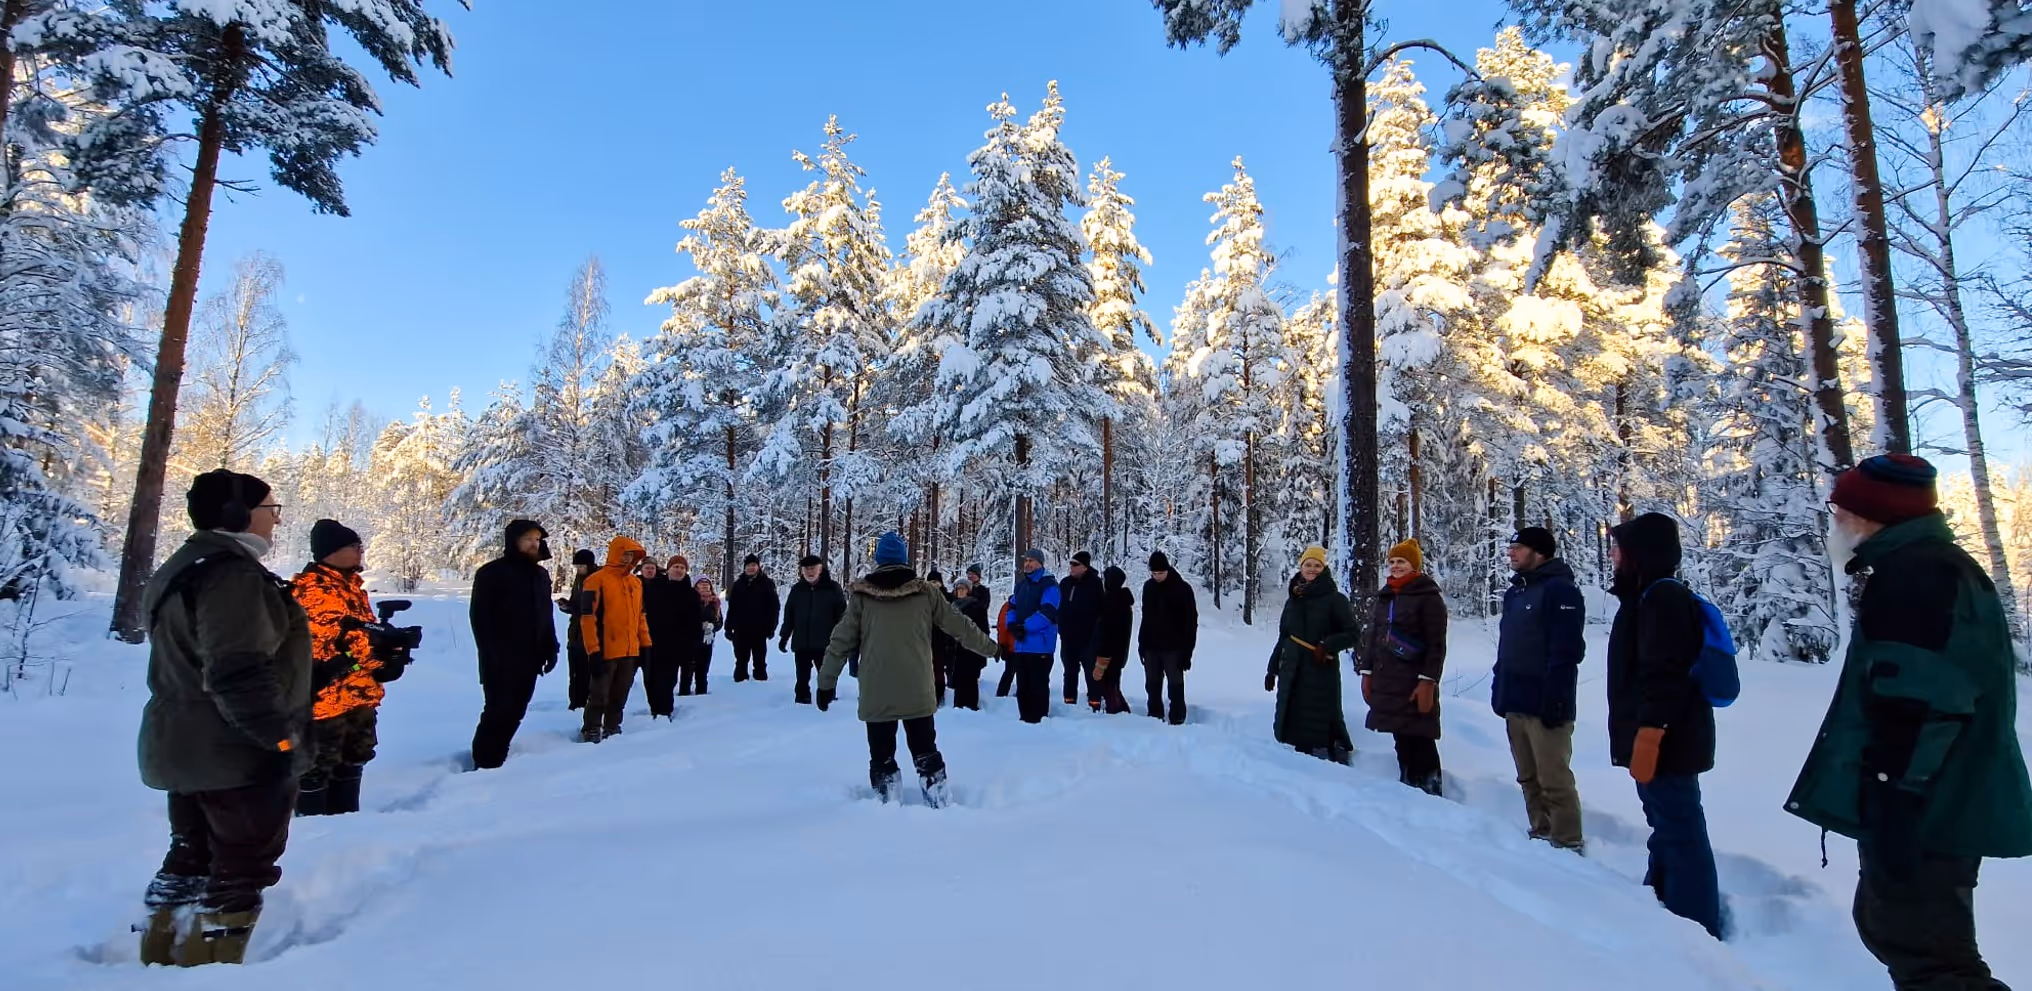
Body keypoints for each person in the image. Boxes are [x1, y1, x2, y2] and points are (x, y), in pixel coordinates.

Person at [1787, 455, 2032, 984]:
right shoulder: (1927, 567)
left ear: (1871, 516)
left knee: (1932, 956)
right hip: (1932, 796)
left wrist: (1891, 793)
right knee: (1901, 933)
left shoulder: (1917, 576)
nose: (1836, 524)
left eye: (1841, 512)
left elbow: (1921, 701)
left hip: (1929, 803)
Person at [137, 470, 309, 966]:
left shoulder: (188, 565)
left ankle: (159, 954)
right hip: (232, 751)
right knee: (240, 864)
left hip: (187, 743)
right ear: (236, 515)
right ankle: (207, 967)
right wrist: (279, 739)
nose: (276, 520)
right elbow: (237, 668)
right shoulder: (232, 576)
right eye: (270, 509)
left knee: (190, 856)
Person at [816, 533, 1000, 805]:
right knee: (925, 751)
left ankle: (887, 804)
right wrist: (992, 648)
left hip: (877, 690)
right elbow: (959, 626)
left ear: (878, 560)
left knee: (882, 755)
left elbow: (840, 641)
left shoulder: (862, 595)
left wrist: (825, 682)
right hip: (917, 688)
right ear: (904, 559)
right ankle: (938, 801)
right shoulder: (926, 592)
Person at [1606, 512, 1721, 940]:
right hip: (1657, 736)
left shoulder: (1662, 598)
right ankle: (1662, 901)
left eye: (1619, 548)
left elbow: (1665, 673)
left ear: (1640, 555)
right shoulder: (1644, 597)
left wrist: (1651, 733)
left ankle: (1696, 926)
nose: (1613, 555)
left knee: (1681, 830)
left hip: (1668, 740)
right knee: (1666, 825)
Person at [290, 519, 407, 817]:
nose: (360, 551)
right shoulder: (313, 590)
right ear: (332, 551)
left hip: (357, 695)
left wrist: (388, 654)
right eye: (354, 546)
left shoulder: (352, 587)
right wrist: (379, 649)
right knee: (317, 769)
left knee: (354, 760)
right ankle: (316, 838)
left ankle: (347, 828)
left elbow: (362, 634)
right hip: (324, 701)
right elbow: (329, 641)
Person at [1494, 527, 1588, 852]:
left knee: (1554, 779)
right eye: (1510, 548)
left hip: (1547, 704)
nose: (1511, 554)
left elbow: (1568, 651)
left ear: (1539, 552)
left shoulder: (1561, 591)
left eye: (1518, 548)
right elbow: (1508, 646)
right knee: (1528, 778)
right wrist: (1499, 686)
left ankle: (1567, 841)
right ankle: (1540, 832)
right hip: (1515, 700)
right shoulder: (1516, 593)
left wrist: (1557, 698)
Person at [1358, 539, 1448, 796]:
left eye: (1402, 562)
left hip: (1413, 679)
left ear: (1414, 566)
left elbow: (1436, 644)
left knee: (1420, 735)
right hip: (1388, 678)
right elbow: (1374, 635)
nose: (1396, 566)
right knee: (1401, 735)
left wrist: (1428, 680)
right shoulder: (1386, 595)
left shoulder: (1428, 597)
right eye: (1393, 562)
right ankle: (1409, 787)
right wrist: (1367, 671)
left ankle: (1430, 789)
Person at [468, 520, 560, 771]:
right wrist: (492, 654)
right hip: (500, 658)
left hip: (530, 657)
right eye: (528, 538)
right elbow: (480, 618)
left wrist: (551, 646)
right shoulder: (491, 573)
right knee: (498, 708)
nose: (534, 544)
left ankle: (498, 754)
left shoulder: (540, 575)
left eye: (537, 539)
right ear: (513, 540)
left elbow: (545, 614)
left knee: (517, 708)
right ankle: (485, 760)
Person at [1267, 546, 1360, 763]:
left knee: (1322, 713)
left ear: (1324, 568)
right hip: (1291, 667)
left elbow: (1352, 634)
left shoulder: (1335, 599)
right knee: (1294, 714)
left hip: (1319, 667)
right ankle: (1301, 761)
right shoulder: (1293, 600)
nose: (1312, 569)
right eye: (1308, 565)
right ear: (1300, 568)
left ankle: (1331, 756)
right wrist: (1272, 669)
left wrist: (1326, 645)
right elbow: (1284, 636)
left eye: (1317, 565)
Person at [577, 536, 652, 742]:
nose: (628, 558)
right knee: (599, 694)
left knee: (620, 693)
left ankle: (612, 725)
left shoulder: (635, 583)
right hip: (605, 649)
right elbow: (587, 618)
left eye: (632, 555)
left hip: (629, 650)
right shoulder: (596, 580)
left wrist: (646, 645)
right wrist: (593, 650)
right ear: (616, 553)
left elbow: (640, 616)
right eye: (625, 553)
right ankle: (591, 728)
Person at [779, 554, 847, 705]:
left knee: (826, 674)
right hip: (802, 641)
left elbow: (843, 615)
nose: (810, 572)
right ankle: (802, 698)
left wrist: (841, 638)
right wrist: (784, 636)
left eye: (813, 568)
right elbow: (789, 614)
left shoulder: (833, 588)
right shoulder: (797, 589)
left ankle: (828, 698)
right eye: (806, 569)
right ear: (802, 571)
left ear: (820, 569)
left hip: (825, 642)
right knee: (802, 675)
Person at [1139, 552, 1198, 726]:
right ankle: (1154, 714)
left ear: (1167, 570)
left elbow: (1191, 622)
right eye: (1154, 573)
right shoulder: (1148, 587)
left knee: (1176, 684)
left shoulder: (1182, 588)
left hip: (1174, 647)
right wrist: (1142, 644)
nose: (1157, 577)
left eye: (1160, 573)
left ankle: (1178, 716)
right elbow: (1145, 618)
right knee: (1152, 683)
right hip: (1151, 645)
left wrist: (1187, 652)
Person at [1008, 548, 1062, 724]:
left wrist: (1025, 627)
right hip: (1021, 645)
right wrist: (1012, 625)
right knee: (1022, 688)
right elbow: (1012, 607)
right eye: (1026, 561)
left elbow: (1047, 612)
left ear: (1040, 563)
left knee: (1037, 687)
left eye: (1032, 561)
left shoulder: (1049, 585)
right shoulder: (1021, 585)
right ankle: (1024, 720)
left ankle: (1039, 723)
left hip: (1040, 645)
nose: (1028, 564)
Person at [1058, 551, 1105, 708]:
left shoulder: (1095, 584)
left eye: (1075, 564)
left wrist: (1096, 634)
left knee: (1091, 673)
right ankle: (1069, 703)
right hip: (1068, 637)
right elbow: (1059, 607)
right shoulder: (1064, 583)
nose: (1072, 567)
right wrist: (1061, 628)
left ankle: (1095, 703)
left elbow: (1101, 611)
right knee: (1069, 671)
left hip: (1088, 638)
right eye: (1071, 563)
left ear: (1085, 567)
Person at [638, 557, 683, 720]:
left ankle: (665, 708)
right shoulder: (635, 583)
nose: (650, 571)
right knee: (649, 675)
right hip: (642, 636)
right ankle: (655, 706)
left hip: (664, 636)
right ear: (642, 570)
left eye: (652, 568)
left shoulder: (663, 584)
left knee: (667, 676)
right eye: (647, 568)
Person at [1088, 566, 1136, 715]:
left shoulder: (1112, 601)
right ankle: (1116, 709)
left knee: (1109, 684)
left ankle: (1116, 711)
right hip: (1118, 650)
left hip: (1109, 650)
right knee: (1111, 683)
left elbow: (1108, 630)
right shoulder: (1122, 600)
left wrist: (1102, 651)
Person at [726, 554, 780, 682]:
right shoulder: (738, 584)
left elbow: (774, 607)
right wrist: (728, 626)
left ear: (758, 567)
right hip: (741, 628)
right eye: (748, 565)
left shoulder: (767, 583)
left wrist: (772, 626)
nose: (751, 568)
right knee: (741, 659)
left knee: (759, 659)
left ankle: (760, 684)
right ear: (744, 567)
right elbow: (732, 607)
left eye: (753, 565)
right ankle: (740, 681)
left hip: (760, 629)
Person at [559, 549, 598, 711]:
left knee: (586, 674)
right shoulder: (579, 579)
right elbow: (577, 604)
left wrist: (572, 607)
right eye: (577, 566)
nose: (578, 569)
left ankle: (585, 705)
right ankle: (575, 703)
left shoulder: (596, 580)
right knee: (574, 674)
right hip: (575, 633)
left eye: (581, 566)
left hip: (589, 635)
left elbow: (591, 609)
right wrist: (566, 606)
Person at [949, 579, 992, 710]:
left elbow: (984, 630)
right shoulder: (951, 607)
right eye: (958, 589)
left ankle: (972, 709)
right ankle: (958, 708)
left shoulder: (977, 607)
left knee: (970, 680)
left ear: (968, 590)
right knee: (958, 681)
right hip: (956, 650)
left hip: (972, 650)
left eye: (963, 588)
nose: (961, 591)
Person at [664, 556, 703, 696]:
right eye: (676, 567)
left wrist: (696, 640)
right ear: (668, 569)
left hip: (687, 641)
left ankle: (685, 700)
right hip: (665, 642)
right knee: (667, 678)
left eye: (682, 567)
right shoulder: (660, 589)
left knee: (687, 675)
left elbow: (697, 618)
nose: (679, 570)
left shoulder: (692, 594)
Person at [688, 578, 724, 694]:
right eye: (701, 583)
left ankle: (702, 695)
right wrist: (700, 625)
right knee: (687, 672)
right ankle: (684, 695)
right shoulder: (690, 600)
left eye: (706, 583)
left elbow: (719, 622)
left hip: (707, 643)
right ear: (696, 586)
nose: (704, 585)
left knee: (702, 672)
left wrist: (713, 626)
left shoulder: (715, 603)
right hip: (690, 641)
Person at [927, 569, 954, 704]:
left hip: (943, 638)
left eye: (936, 582)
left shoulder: (947, 597)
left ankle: (939, 694)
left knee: (939, 667)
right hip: (926, 637)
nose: (934, 584)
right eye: (931, 582)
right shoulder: (923, 598)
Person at [994, 599, 1017, 698]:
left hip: (1016, 646)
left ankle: (1002, 694)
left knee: (1010, 672)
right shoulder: (1009, 605)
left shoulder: (1009, 605)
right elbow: (1003, 626)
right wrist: (1003, 644)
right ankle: (1001, 695)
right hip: (1013, 647)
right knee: (1010, 672)